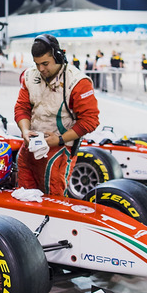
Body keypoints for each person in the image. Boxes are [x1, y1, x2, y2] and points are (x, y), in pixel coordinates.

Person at [14, 34, 99, 196]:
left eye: (45, 63)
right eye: (37, 64)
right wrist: (25, 131)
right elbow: (21, 107)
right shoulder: (29, 76)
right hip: (30, 146)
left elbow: (90, 121)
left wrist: (59, 139)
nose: (41, 69)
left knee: (54, 202)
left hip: (59, 150)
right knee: (24, 198)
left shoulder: (78, 82)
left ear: (58, 57)